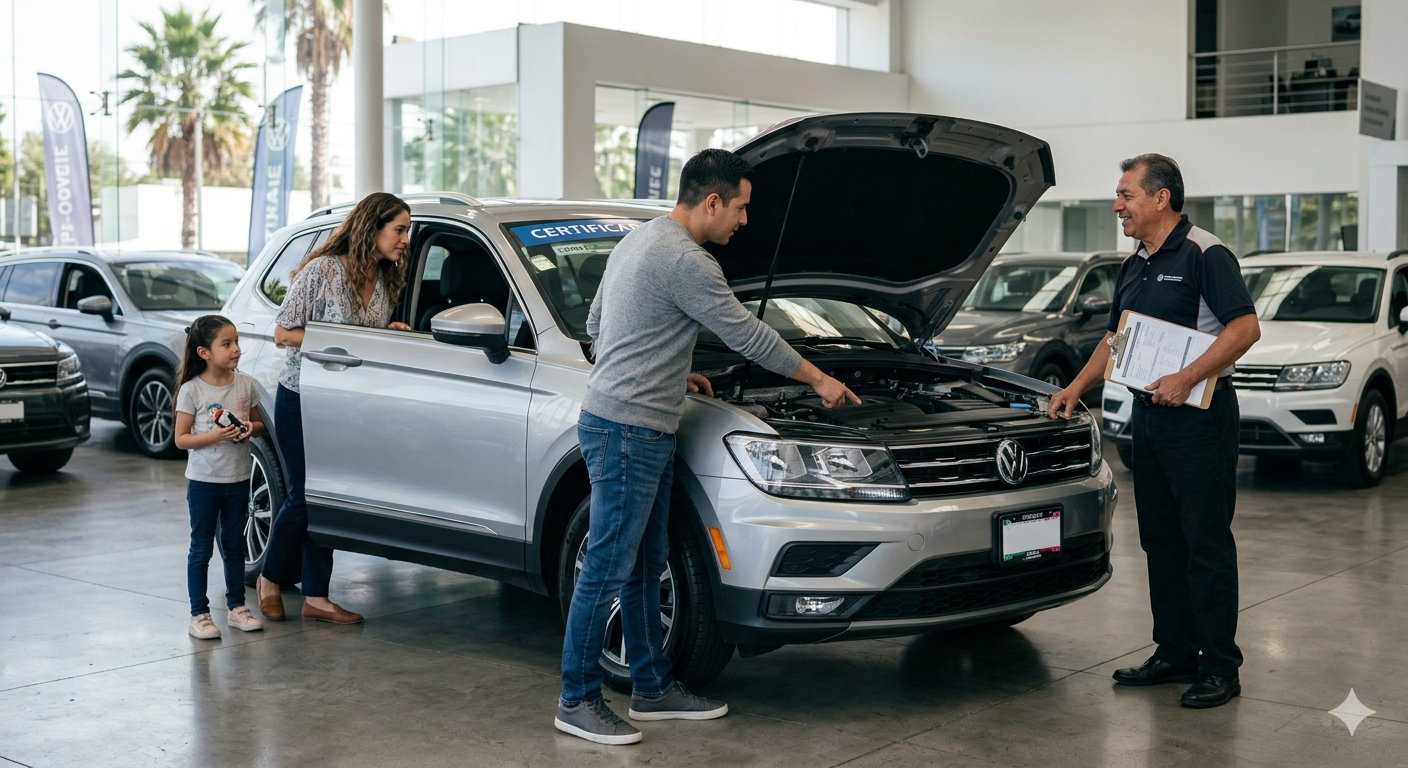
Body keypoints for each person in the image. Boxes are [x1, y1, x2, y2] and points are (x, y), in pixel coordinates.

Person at [554, 148, 861, 745]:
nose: (744, 221)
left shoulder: (638, 240)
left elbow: (596, 327)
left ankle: (651, 687)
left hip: (626, 423)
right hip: (628, 431)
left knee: (646, 563)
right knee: (609, 566)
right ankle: (577, 699)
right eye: (741, 208)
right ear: (713, 201)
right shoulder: (688, 261)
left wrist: (669, 370)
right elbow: (749, 336)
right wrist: (819, 379)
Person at [1048, 154, 1260, 709]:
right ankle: (1175, 652)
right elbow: (1115, 339)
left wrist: (1186, 377)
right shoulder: (1135, 262)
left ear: (1161, 197)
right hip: (1150, 417)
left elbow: (1245, 327)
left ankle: (1220, 666)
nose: (1117, 206)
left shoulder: (1205, 253)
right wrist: (1076, 387)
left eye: (1126, 195)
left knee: (1205, 542)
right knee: (1160, 540)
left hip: (1200, 419)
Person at [256, 192, 414, 624]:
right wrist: (342, 345)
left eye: (406, 231)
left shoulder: (385, 278)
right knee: (303, 496)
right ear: (371, 228)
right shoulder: (322, 271)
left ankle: (317, 597)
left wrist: (388, 332)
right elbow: (284, 333)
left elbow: (366, 336)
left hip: (347, 404)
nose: (405, 239)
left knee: (324, 496)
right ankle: (270, 578)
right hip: (302, 396)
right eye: (399, 230)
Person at [174, 315, 266, 640]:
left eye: (236, 341)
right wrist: (214, 436)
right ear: (204, 352)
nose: (236, 349)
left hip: (238, 479)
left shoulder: (246, 384)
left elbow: (260, 425)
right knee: (201, 548)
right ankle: (199, 614)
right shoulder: (191, 390)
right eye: (226, 344)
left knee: (234, 545)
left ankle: (237, 608)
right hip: (203, 483)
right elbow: (181, 439)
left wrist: (249, 429)